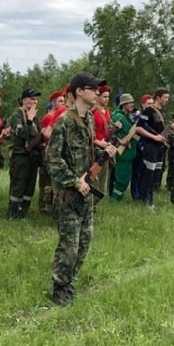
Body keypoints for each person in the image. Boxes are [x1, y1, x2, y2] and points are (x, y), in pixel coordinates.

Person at [46, 72, 115, 305]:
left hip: (86, 193)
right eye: (92, 88)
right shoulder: (64, 121)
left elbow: (86, 158)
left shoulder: (88, 120)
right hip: (68, 194)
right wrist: (75, 181)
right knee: (69, 244)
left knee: (85, 239)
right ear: (79, 92)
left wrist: (104, 156)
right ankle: (59, 287)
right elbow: (53, 159)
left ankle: (69, 281)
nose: (97, 92)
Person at [7, 88, 42, 219]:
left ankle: (24, 213)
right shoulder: (17, 115)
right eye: (31, 98)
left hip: (33, 156)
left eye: (35, 99)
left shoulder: (35, 116)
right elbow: (22, 134)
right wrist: (29, 120)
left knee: (30, 186)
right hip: (20, 155)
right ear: (23, 100)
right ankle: (13, 214)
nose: (34, 101)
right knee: (18, 185)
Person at [134, 89, 169, 210]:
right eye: (165, 97)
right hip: (150, 146)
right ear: (158, 97)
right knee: (148, 174)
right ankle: (145, 201)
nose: (167, 100)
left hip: (160, 147)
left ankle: (151, 201)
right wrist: (154, 137)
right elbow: (138, 128)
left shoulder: (162, 112)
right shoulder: (148, 111)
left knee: (155, 175)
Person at [109, 93, 138, 201]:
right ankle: (114, 199)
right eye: (129, 102)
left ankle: (117, 198)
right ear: (123, 104)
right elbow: (111, 133)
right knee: (121, 179)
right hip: (122, 153)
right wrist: (120, 141)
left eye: (132, 102)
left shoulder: (129, 117)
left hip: (129, 153)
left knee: (125, 178)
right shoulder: (118, 117)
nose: (132, 104)